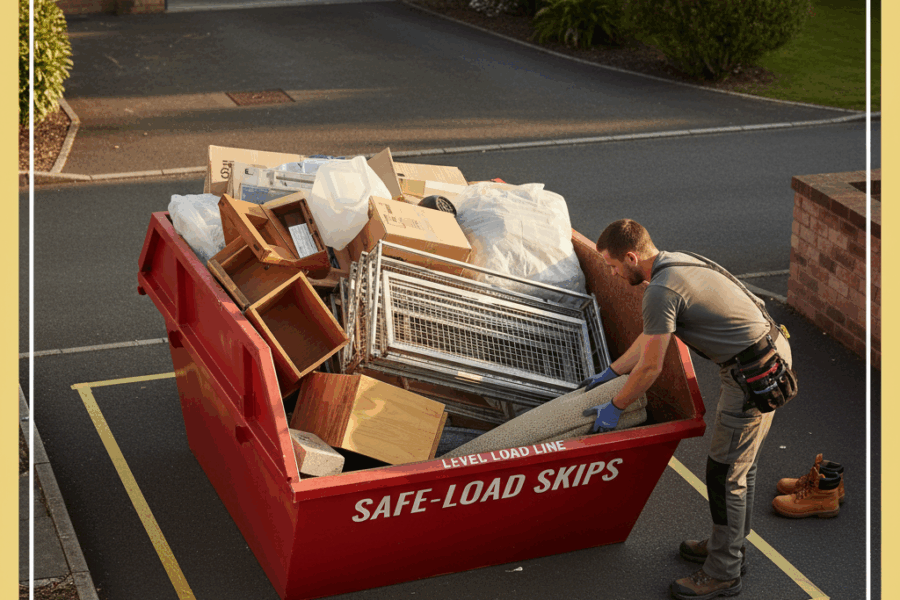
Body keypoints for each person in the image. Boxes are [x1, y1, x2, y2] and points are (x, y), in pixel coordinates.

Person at [580, 219, 793, 600]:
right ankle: (730, 548)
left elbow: (651, 367)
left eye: (613, 265)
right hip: (770, 351)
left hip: (753, 371)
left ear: (632, 256)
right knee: (739, 468)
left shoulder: (660, 289)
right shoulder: (675, 262)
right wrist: (611, 372)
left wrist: (615, 406)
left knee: (724, 473)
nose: (612, 273)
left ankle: (723, 572)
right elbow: (651, 336)